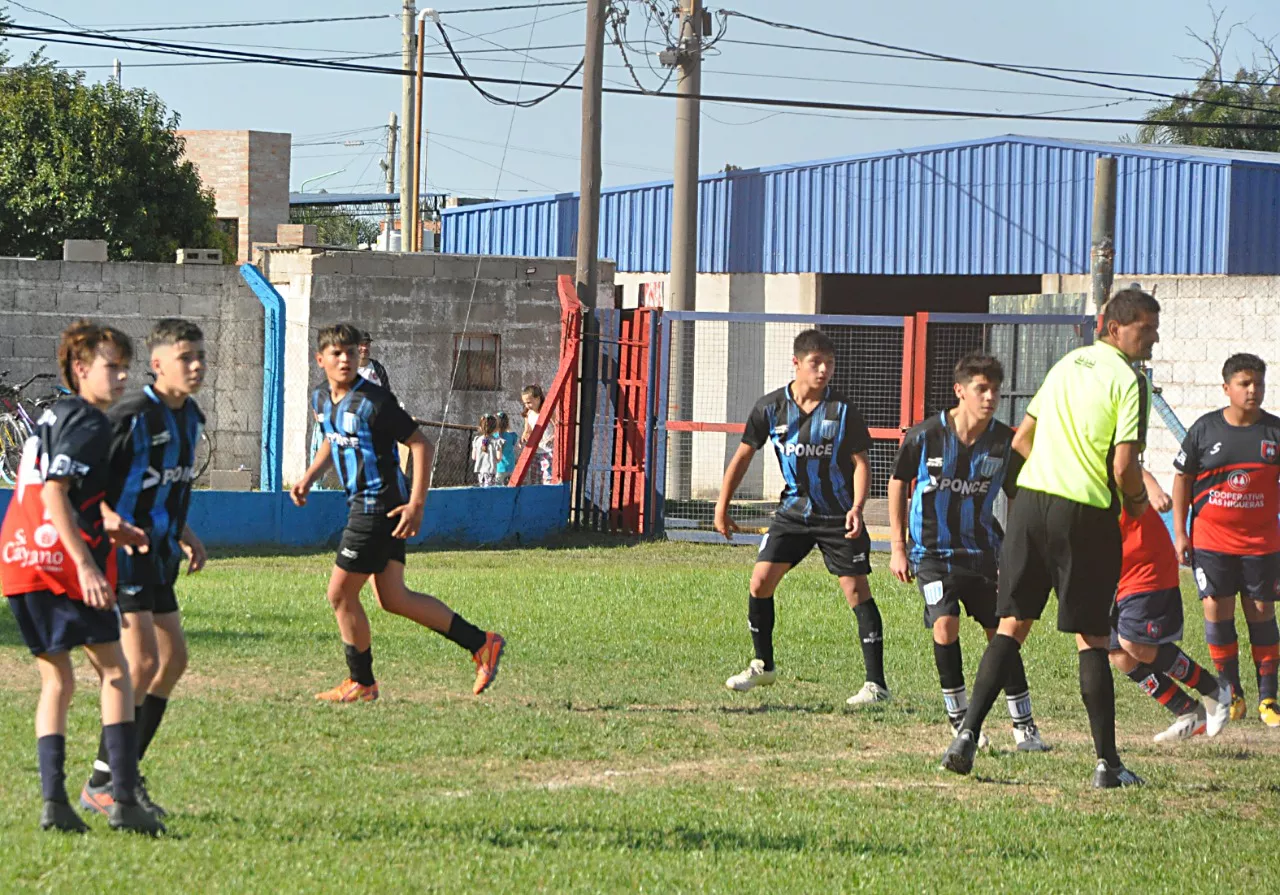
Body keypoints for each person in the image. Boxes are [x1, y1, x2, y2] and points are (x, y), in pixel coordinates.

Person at [941, 287, 1161, 788]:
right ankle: (1107, 765)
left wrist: (1019, 502)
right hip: (1084, 512)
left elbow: (1022, 440)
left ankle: (966, 737)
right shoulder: (1129, 381)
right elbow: (1125, 466)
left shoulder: (1066, 364)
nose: (1151, 337)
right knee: (1093, 637)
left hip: (1033, 506)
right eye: (1143, 328)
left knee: (1011, 626)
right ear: (1114, 328)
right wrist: (1137, 504)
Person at [0, 321, 162, 834]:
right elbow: (55, 494)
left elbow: (72, 497)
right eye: (110, 368)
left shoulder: (51, 415)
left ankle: (54, 804)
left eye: (123, 369)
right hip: (59, 562)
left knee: (59, 680)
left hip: (17, 556)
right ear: (79, 369)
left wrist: (116, 527)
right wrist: (88, 564)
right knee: (117, 673)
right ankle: (119, 797)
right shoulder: (91, 424)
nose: (120, 379)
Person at [291, 323, 505, 702]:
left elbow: (421, 444)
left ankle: (362, 682)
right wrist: (309, 476)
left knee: (340, 594)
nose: (344, 359)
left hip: (378, 506)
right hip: (363, 504)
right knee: (393, 597)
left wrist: (417, 503)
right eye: (336, 353)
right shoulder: (321, 399)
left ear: (360, 355)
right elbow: (331, 437)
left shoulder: (375, 401)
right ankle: (480, 643)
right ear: (320, 359)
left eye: (351, 352)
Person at [715, 328, 889, 706]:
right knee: (760, 581)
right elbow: (744, 455)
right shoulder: (770, 408)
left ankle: (876, 685)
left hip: (837, 516)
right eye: (816, 363)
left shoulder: (843, 411)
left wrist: (858, 507)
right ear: (796, 363)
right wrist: (722, 506)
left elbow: (862, 464)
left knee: (856, 592)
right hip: (792, 512)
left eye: (829, 363)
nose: (824, 370)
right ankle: (763, 665)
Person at [79, 319, 209, 820]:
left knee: (172, 660)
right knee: (143, 664)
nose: (196, 366)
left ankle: (118, 774)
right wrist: (110, 522)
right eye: (185, 357)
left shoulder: (191, 416)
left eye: (200, 356)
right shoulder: (130, 416)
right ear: (157, 365)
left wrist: (186, 532)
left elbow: (172, 483)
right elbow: (87, 484)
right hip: (119, 556)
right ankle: (106, 782)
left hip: (158, 556)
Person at [888, 352, 1047, 751]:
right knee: (945, 625)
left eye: (995, 389)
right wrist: (897, 547)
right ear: (960, 391)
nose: (990, 396)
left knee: (1002, 633)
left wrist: (1016, 547)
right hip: (931, 554)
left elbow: (1015, 495)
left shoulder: (1004, 442)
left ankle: (1024, 727)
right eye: (981, 388)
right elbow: (897, 482)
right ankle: (960, 720)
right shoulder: (925, 436)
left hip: (983, 554)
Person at [1172, 353, 1280, 728]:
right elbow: (1182, 478)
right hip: (1212, 541)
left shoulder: (1274, 433)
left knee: (1262, 614)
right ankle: (1231, 693)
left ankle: (1269, 697)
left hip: (1261, 544)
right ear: (1227, 388)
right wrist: (1180, 532)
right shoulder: (1205, 430)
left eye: (1259, 384)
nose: (1253, 391)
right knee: (1217, 614)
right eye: (1245, 383)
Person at [1109, 471, 1231, 741]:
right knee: (1117, 651)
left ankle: (1215, 690)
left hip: (1144, 561)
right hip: (1110, 570)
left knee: (1134, 643)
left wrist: (1151, 488)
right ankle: (1188, 712)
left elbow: (1125, 464)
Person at [520, 385, 555, 485]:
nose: (527, 405)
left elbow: (558, 427)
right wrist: (523, 438)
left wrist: (553, 437)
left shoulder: (549, 412)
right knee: (535, 479)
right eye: (525, 403)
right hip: (535, 451)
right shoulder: (528, 414)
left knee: (548, 478)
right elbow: (527, 430)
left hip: (548, 451)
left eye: (529, 402)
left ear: (538, 398)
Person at [357, 330, 392, 394]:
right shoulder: (348, 369)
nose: (364, 347)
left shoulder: (378, 368)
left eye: (367, 344)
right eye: (361, 344)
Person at [472, 414, 501, 487]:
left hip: (480, 470)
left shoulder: (477, 440)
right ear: (495, 428)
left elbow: (474, 457)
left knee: (482, 490)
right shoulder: (497, 441)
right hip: (491, 470)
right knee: (490, 491)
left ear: (481, 427)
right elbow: (498, 458)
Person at [495, 411, 518, 486]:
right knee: (511, 486)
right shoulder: (512, 435)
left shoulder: (495, 436)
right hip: (511, 466)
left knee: (498, 486)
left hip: (499, 467)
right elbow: (514, 441)